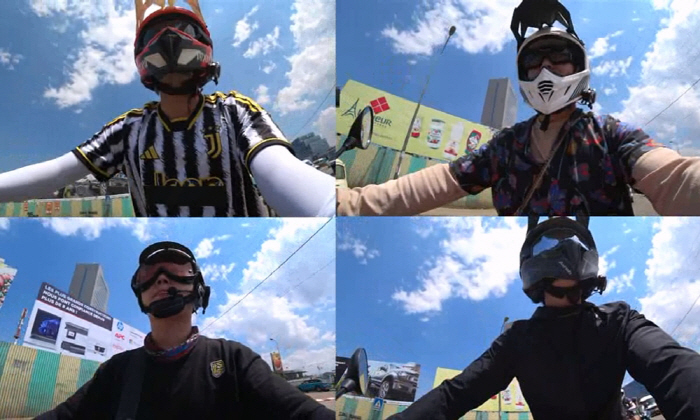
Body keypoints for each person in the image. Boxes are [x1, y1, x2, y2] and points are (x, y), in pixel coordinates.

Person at [336, 0, 700, 216]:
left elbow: (675, 176)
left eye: (558, 56)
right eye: (533, 61)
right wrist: (351, 203)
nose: (546, 68)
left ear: (578, 65)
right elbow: (439, 182)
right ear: (522, 73)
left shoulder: (610, 134)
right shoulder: (506, 145)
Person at [0, 0, 334, 217]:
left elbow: (277, 170)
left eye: (184, 30)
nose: (170, 38)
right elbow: (60, 171)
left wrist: (329, 207)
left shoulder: (234, 111)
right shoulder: (127, 130)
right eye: (156, 34)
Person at [386, 216, 700, 420]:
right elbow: (456, 393)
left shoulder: (620, 319)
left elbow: (672, 365)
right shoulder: (516, 340)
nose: (566, 249)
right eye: (551, 245)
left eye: (572, 243)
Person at [35, 241, 334, 419]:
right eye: (149, 274)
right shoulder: (117, 370)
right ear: (140, 295)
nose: (162, 279)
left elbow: (303, 412)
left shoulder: (233, 359)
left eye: (177, 271)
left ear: (199, 290)